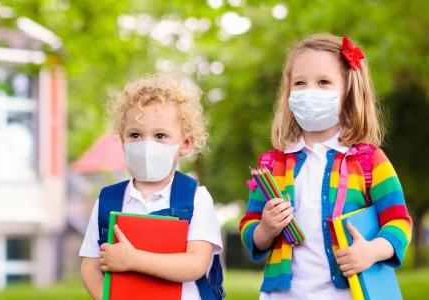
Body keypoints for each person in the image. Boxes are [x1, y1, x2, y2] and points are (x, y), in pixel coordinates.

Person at [239, 33, 412, 299]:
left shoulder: (370, 160)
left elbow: (399, 221)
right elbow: (249, 228)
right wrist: (265, 229)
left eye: (323, 82)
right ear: (288, 93)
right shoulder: (272, 164)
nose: (309, 92)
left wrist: (373, 250)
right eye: (299, 83)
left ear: (349, 92)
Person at [80, 74, 223, 300]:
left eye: (160, 136)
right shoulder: (107, 201)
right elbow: (90, 266)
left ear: (185, 144)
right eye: (135, 135)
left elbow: (196, 264)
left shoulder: (196, 198)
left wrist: (133, 259)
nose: (147, 145)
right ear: (122, 139)